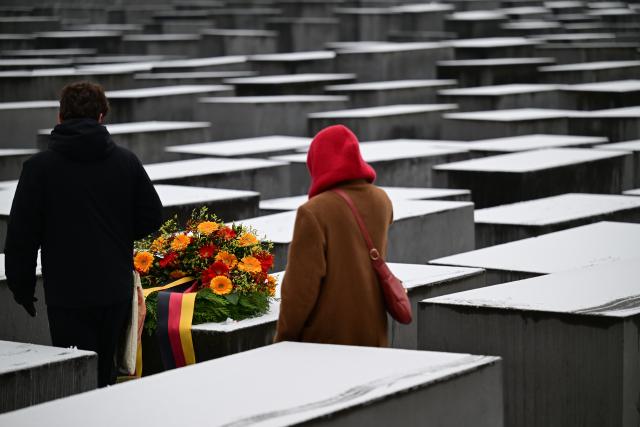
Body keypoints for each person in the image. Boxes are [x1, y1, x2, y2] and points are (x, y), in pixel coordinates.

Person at [4, 81, 163, 387]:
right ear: (102, 116)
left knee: (74, 379)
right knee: (105, 375)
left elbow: (22, 237)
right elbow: (152, 217)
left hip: (67, 296)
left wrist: (22, 288)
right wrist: (117, 234)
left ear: (60, 116)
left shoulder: (39, 168)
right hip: (114, 291)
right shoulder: (125, 161)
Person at [274, 125, 393, 346]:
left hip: (326, 341)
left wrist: (284, 338)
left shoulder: (313, 212)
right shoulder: (382, 200)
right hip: (374, 334)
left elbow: (300, 289)